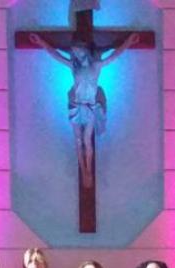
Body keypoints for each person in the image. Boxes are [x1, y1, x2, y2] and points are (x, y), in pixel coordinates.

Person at [28, 31, 140, 187]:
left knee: (87, 140)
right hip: (76, 105)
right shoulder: (74, 67)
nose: (76, 53)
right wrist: (41, 42)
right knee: (78, 140)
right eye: (74, 51)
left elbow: (114, 55)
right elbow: (56, 55)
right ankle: (84, 171)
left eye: (78, 50)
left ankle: (89, 171)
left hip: (90, 106)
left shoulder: (96, 66)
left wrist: (128, 42)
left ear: (85, 50)